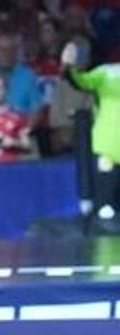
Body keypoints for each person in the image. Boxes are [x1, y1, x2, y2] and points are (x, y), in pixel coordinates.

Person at [62, 41, 120, 229]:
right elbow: (81, 81)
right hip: (108, 141)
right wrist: (69, 67)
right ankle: (103, 207)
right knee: (107, 179)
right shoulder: (107, 73)